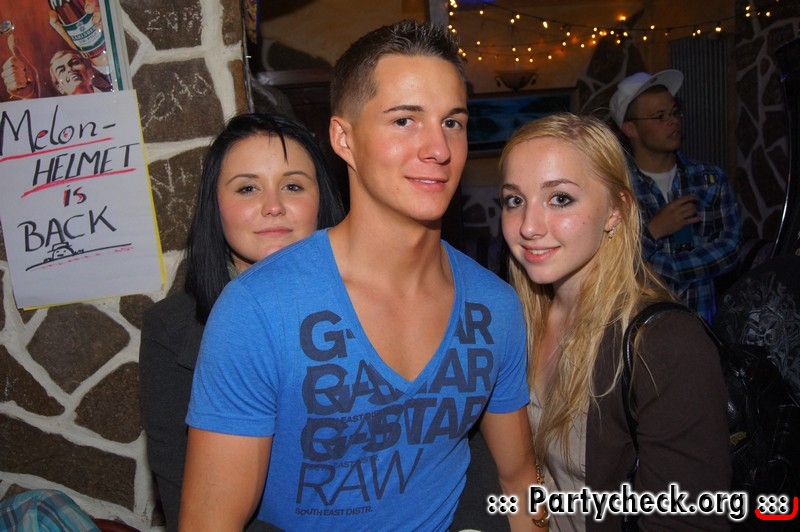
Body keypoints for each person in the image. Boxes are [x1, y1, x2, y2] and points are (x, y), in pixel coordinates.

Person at [182, 19, 545, 531]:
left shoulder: (495, 306)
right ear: (344, 139)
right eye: (405, 120)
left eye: (452, 122)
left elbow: (520, 484)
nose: (438, 149)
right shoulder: (257, 310)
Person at [500, 113, 731, 530]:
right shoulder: (517, 320)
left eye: (560, 199)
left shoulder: (664, 343)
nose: (529, 227)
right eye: (515, 200)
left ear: (615, 210)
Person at [139, 112, 345, 532]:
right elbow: (189, 507)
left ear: (320, 201)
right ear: (215, 207)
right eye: (248, 188)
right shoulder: (170, 332)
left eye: (292, 186)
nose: (273, 206)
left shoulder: (377, 306)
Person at [609, 69, 741, 323]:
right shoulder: (617, 188)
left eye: (674, 112)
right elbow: (612, 259)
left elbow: (730, 249)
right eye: (660, 116)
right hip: (641, 324)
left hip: (701, 320)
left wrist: (657, 267)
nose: (673, 121)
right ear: (630, 128)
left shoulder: (709, 178)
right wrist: (653, 231)